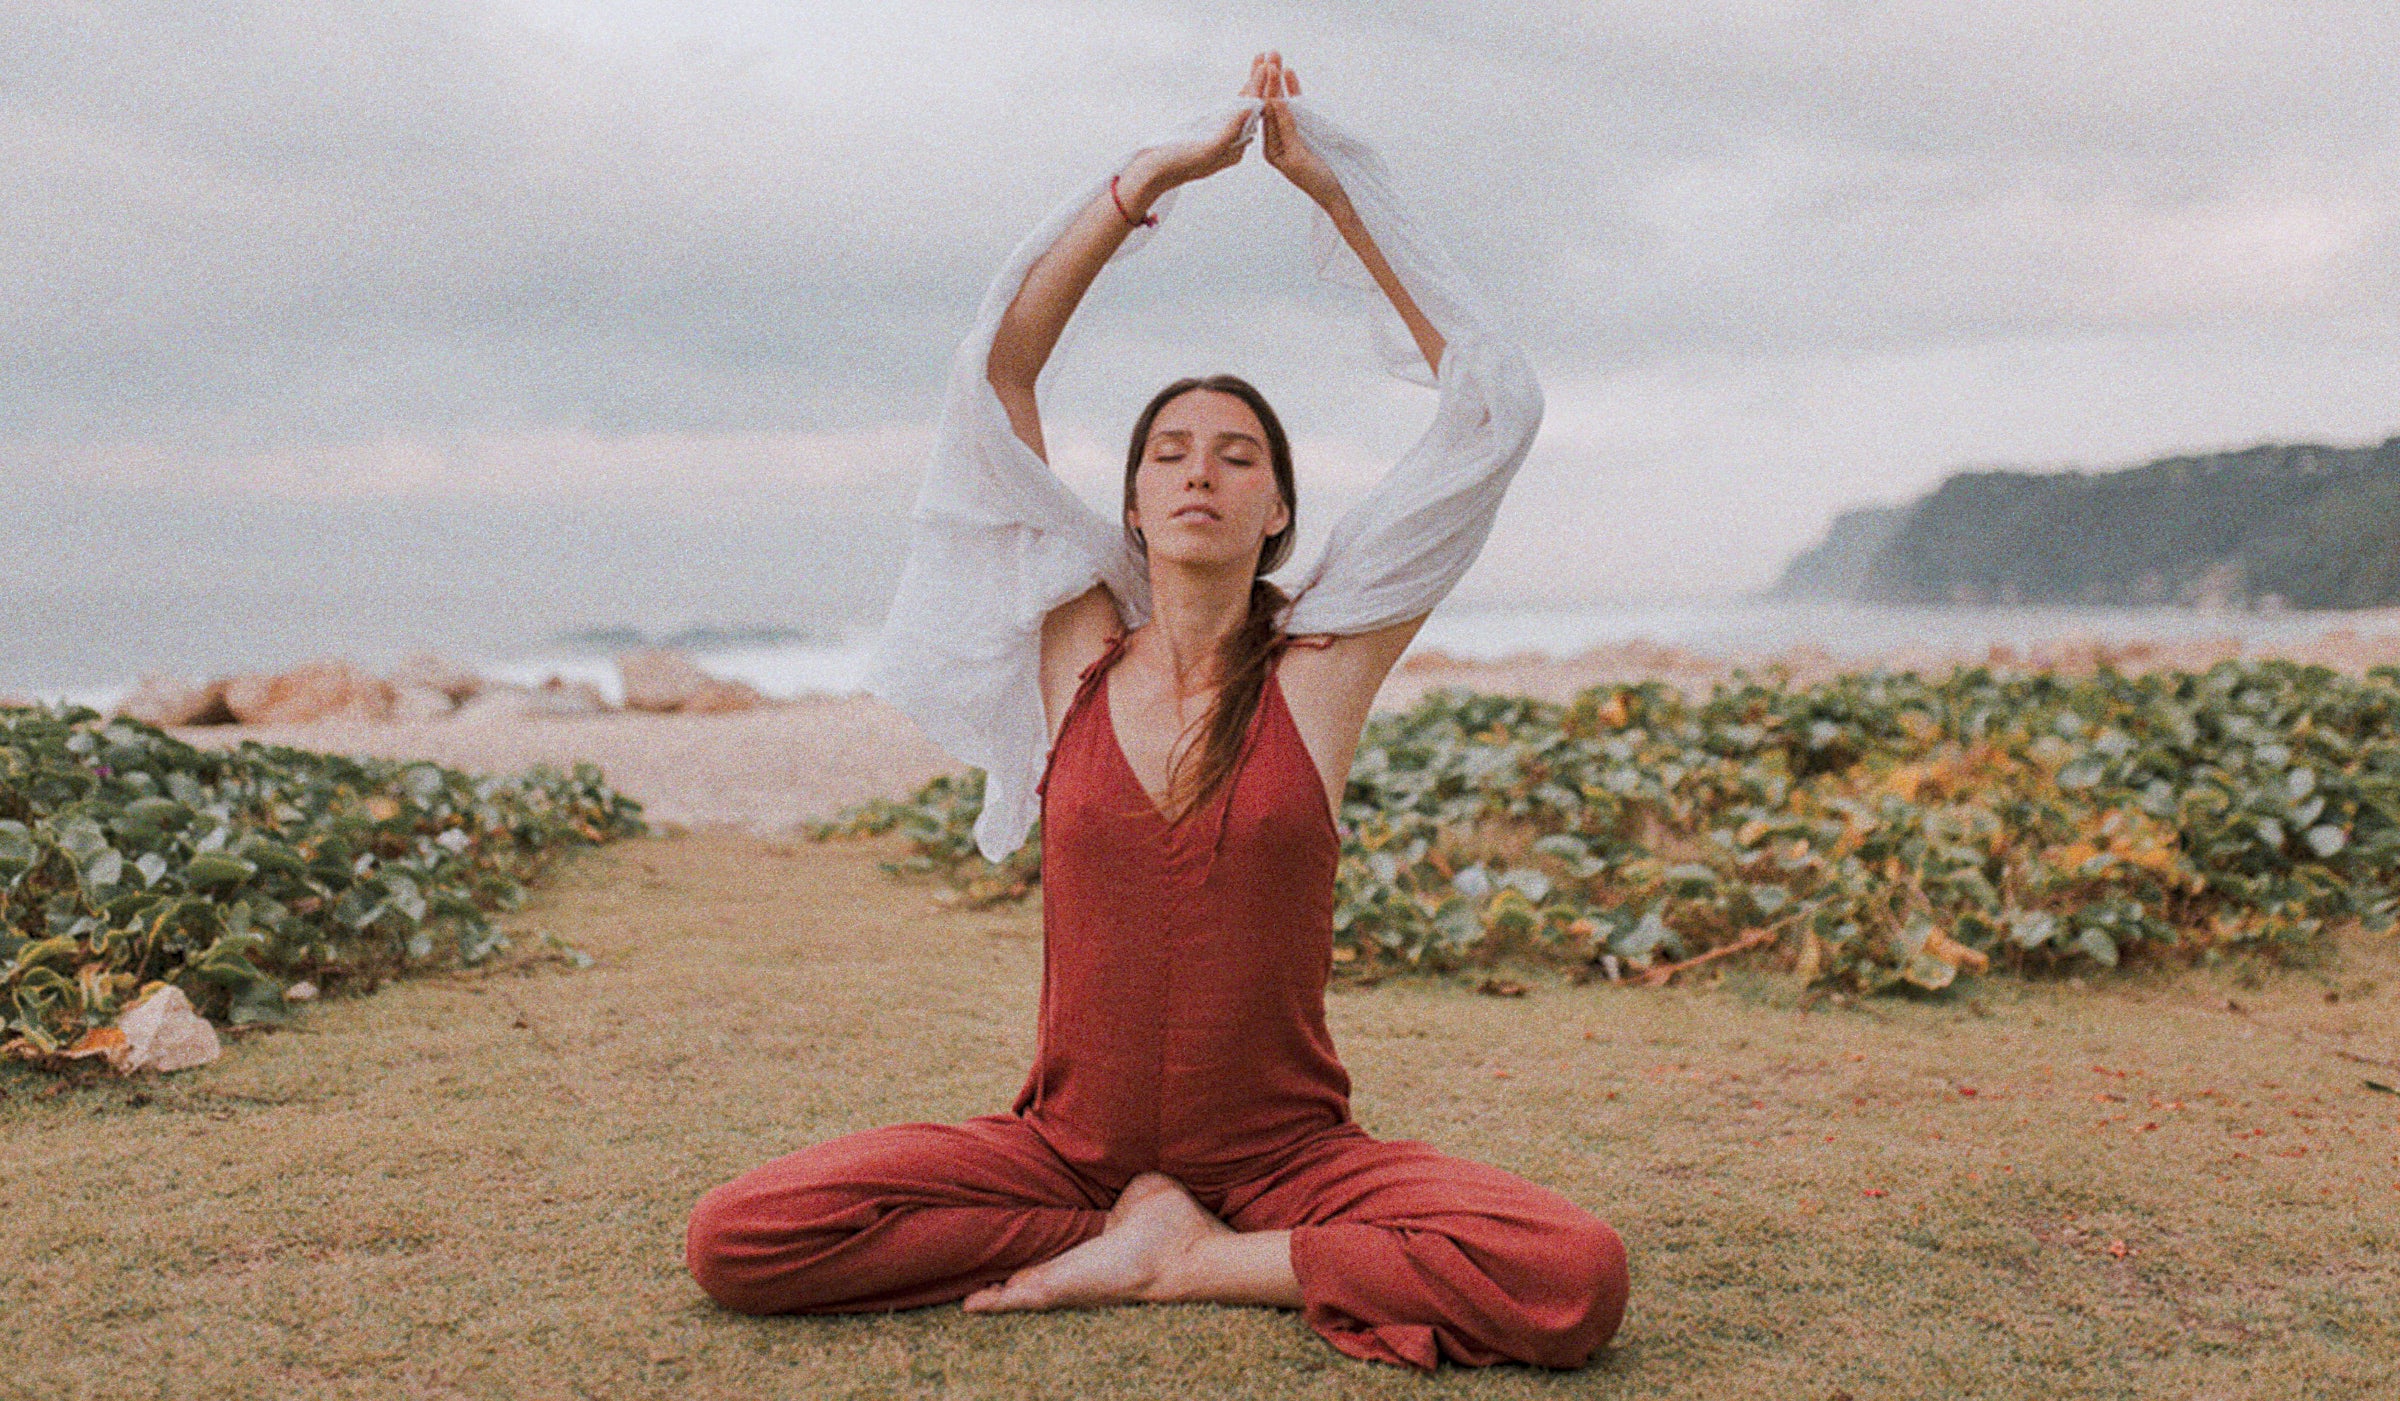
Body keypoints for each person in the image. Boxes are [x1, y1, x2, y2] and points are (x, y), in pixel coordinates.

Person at [684, 52, 1629, 1371]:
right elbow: (996, 379)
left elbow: (1492, 406)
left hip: (1290, 1163)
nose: (1202, 471)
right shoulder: (1078, 647)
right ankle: (1126, 1224)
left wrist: (1336, 193)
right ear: (1129, 504)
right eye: (1170, 452)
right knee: (739, 1235)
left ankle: (1192, 1256)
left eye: (1238, 454)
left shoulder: (1323, 667)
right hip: (1068, 1159)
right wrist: (1150, 180)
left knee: (1574, 1273)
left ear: (1278, 507)